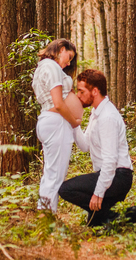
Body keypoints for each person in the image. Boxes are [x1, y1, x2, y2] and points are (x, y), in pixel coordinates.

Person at [58, 69, 136, 227]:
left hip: (119, 177)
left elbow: (110, 160)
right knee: (95, 223)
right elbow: (85, 146)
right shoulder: (97, 113)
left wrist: (98, 193)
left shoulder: (107, 117)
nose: (78, 95)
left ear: (95, 91)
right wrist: (74, 124)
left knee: (66, 189)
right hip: (109, 175)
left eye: (81, 91)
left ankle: (115, 215)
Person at [32, 38, 83, 213]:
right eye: (69, 57)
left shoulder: (43, 68)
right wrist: (74, 121)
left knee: (51, 172)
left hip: (50, 121)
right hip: (57, 123)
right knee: (55, 175)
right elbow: (59, 103)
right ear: (61, 49)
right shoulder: (51, 67)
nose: (69, 62)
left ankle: (45, 213)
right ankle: (47, 217)